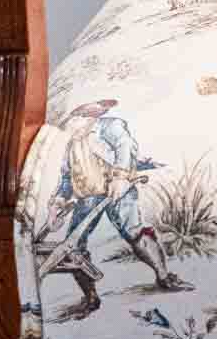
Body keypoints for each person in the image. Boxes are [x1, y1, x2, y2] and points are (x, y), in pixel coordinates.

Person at [35, 99, 182, 317]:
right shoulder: (71, 145)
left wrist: (120, 177)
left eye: (70, 123)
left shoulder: (110, 126)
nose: (66, 129)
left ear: (85, 118)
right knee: (73, 246)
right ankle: (90, 297)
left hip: (118, 192)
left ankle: (164, 276)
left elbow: (125, 146)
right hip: (88, 198)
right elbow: (66, 179)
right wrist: (57, 203)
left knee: (136, 234)